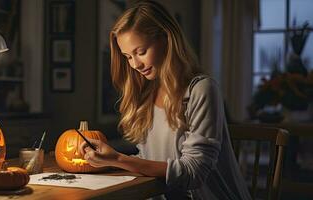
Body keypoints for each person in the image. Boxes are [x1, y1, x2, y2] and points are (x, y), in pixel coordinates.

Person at [78, 1, 251, 199]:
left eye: (141, 52)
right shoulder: (145, 94)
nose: (135, 64)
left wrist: (118, 159)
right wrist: (110, 160)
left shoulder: (201, 89)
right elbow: (150, 161)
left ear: (167, 39)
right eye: (128, 56)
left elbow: (193, 172)